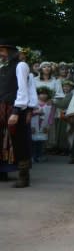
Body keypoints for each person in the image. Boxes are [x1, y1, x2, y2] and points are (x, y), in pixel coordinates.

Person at [0, 39, 34, 187]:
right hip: (2, 107)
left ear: (9, 51)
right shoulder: (2, 67)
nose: (0, 54)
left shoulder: (21, 66)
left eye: (1, 50)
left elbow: (23, 89)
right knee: (2, 140)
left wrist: (17, 110)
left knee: (19, 141)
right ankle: (3, 172)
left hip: (15, 108)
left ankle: (23, 176)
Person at [30, 86, 53, 163]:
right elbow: (29, 113)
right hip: (33, 125)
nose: (43, 95)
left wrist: (49, 125)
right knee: (33, 142)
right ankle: (32, 156)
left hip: (44, 125)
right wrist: (36, 112)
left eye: (45, 94)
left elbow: (51, 116)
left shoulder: (49, 104)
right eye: (41, 94)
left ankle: (39, 155)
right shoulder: (33, 103)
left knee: (41, 142)